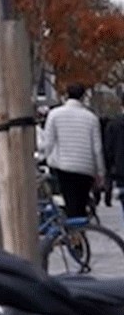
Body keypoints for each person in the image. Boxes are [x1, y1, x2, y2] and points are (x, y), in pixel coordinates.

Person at [41, 83, 105, 220]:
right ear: (83, 96)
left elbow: (48, 143)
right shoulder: (91, 118)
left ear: (66, 95)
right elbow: (97, 148)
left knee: (70, 203)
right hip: (86, 167)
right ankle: (79, 233)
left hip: (64, 166)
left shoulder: (54, 115)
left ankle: (74, 235)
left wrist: (45, 159)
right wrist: (100, 172)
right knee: (80, 205)